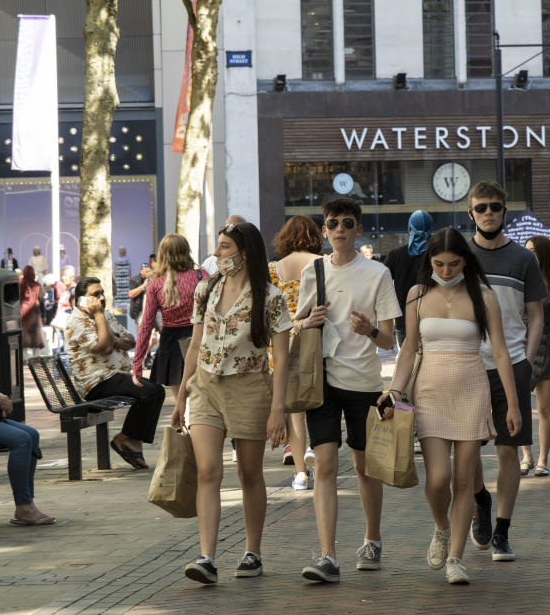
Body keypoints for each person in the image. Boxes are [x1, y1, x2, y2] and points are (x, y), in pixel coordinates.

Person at [379, 227, 519, 584]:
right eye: (438, 264)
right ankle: (441, 528)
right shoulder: (416, 294)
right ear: (429, 262)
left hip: (472, 388)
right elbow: (408, 348)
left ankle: (456, 557)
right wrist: (395, 390)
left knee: (462, 479)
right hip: (429, 391)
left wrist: (513, 404)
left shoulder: (483, 296)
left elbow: (500, 352)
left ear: (465, 261)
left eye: (453, 263)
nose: (445, 270)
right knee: (438, 478)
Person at [172, 221, 293, 584]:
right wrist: (180, 396)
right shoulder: (206, 289)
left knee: (249, 473)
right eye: (218, 247)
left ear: (243, 252)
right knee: (208, 471)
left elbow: (283, 358)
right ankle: (206, 556)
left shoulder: (270, 296)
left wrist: (278, 410)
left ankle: (252, 552)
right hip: (206, 386)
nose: (218, 254)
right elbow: (194, 345)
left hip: (250, 389)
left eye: (224, 247)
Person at [296, 198, 401, 584]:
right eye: (332, 223)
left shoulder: (378, 274)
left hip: (364, 383)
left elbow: (390, 340)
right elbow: (297, 324)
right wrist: (309, 321)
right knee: (324, 464)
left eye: (347, 222)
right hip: (321, 380)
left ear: (359, 229)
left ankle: (372, 539)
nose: (339, 228)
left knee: (363, 466)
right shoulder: (314, 271)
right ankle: (328, 556)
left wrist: (370, 330)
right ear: (324, 230)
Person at [466, 181, 545, 562]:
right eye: (481, 208)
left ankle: (501, 531)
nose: (488, 213)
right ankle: (480, 496)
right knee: (466, 453)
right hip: (467, 365)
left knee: (508, 451)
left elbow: (537, 313)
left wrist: (527, 361)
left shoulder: (523, 259)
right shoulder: (460, 256)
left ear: (504, 212)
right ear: (471, 213)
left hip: (512, 365)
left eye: (495, 207)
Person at [63, 277, 166, 469]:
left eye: (102, 294)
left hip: (115, 376)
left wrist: (113, 339)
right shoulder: (76, 321)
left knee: (158, 390)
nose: (101, 298)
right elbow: (104, 348)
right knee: (148, 392)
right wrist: (100, 319)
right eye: (95, 295)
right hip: (96, 383)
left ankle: (129, 438)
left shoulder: (106, 315)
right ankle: (126, 439)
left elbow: (129, 339)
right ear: (80, 299)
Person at [269, 215, 322, 490]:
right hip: (314, 339)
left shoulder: (273, 269)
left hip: (281, 344)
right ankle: (316, 446)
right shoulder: (321, 264)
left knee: (294, 411)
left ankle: (300, 472)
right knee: (319, 399)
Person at [0, 368, 54, 526]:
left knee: (32, 434)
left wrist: (2, 399)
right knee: (21, 439)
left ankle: (28, 504)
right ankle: (24, 507)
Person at [132, 234, 205, 406]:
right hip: (201, 337)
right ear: (186, 251)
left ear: (162, 255)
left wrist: (137, 364)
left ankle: (184, 429)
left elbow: (146, 325)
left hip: (172, 343)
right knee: (201, 399)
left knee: (182, 401)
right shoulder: (202, 276)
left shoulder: (156, 284)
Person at [520, 235, 550, 478]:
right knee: (519, 405)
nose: (529, 254)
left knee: (544, 409)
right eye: (526, 250)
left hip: (547, 348)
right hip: (521, 347)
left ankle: (542, 460)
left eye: (534, 251)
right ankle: (526, 456)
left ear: (544, 254)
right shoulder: (520, 278)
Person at [384, 210, 434, 347]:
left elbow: (383, 288)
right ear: (430, 230)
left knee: (408, 363)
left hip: (404, 320)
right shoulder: (439, 256)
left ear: (409, 229)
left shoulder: (395, 255)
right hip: (434, 320)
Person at [19, 266, 45, 357]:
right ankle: (36, 358)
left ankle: (24, 358)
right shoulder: (37, 286)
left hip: (23, 314)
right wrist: (43, 316)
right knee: (36, 336)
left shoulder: (20, 283)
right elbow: (42, 301)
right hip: (35, 314)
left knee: (24, 337)